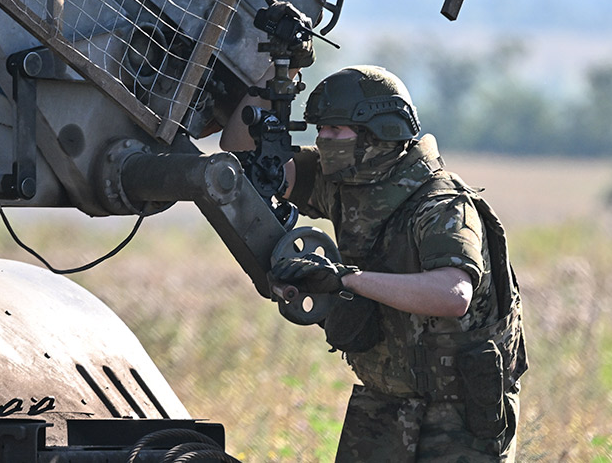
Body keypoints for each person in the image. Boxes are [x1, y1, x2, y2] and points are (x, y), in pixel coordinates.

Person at [221, 64, 527, 462]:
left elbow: (453, 294)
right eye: (321, 130)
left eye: (335, 130)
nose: (323, 139)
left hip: (458, 414)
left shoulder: (441, 204)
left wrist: (347, 280)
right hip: (384, 401)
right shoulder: (346, 182)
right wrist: (278, 73)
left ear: (378, 134)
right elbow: (244, 157)